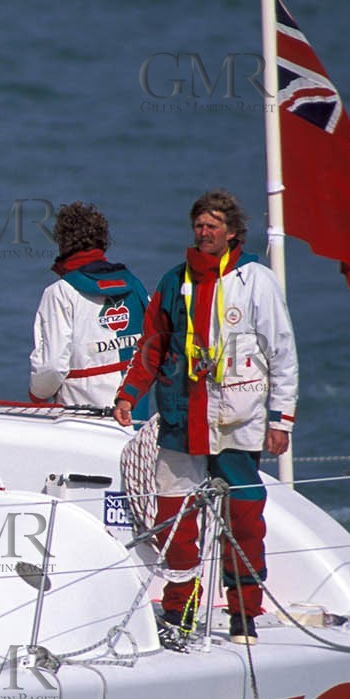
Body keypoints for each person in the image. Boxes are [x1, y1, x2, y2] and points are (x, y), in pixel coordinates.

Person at [114, 190, 298, 645]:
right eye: (199, 225)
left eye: (213, 225)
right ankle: (180, 605)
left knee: (245, 519)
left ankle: (244, 613)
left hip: (239, 420)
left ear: (232, 232)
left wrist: (281, 420)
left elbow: (281, 352)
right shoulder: (173, 281)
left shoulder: (256, 280)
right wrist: (128, 394)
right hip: (181, 419)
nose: (204, 232)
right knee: (172, 514)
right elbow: (152, 346)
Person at [29, 202, 149, 409]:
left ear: (62, 242)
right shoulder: (135, 285)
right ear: (103, 241)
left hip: (80, 417)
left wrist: (38, 394)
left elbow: (53, 365)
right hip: (134, 413)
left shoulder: (60, 292)